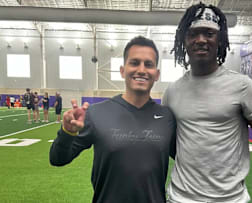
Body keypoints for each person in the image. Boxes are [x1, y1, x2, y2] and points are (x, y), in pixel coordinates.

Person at [163, 3, 252, 203]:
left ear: (220, 39)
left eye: (208, 33)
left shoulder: (242, 86)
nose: (200, 40)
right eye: (193, 34)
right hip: (180, 198)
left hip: (230, 199)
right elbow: (173, 146)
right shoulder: (172, 91)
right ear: (184, 39)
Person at [50, 36, 176, 203]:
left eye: (149, 64)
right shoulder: (96, 113)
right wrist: (67, 133)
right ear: (123, 70)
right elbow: (58, 159)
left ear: (157, 74)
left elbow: (189, 160)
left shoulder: (167, 118)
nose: (141, 70)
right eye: (134, 62)